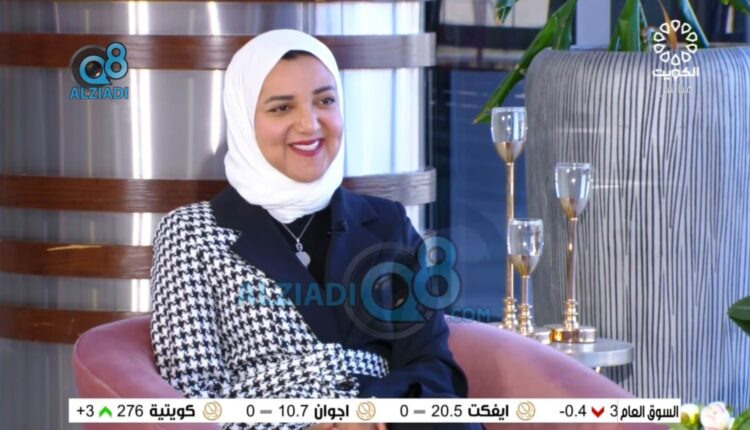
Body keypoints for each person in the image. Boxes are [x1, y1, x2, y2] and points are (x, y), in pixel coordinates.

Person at [150, 29, 482, 430]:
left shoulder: (387, 222)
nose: (309, 124)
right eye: (281, 108)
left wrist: (370, 413)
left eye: (325, 101)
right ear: (243, 119)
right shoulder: (190, 234)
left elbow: (433, 366)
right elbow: (193, 398)